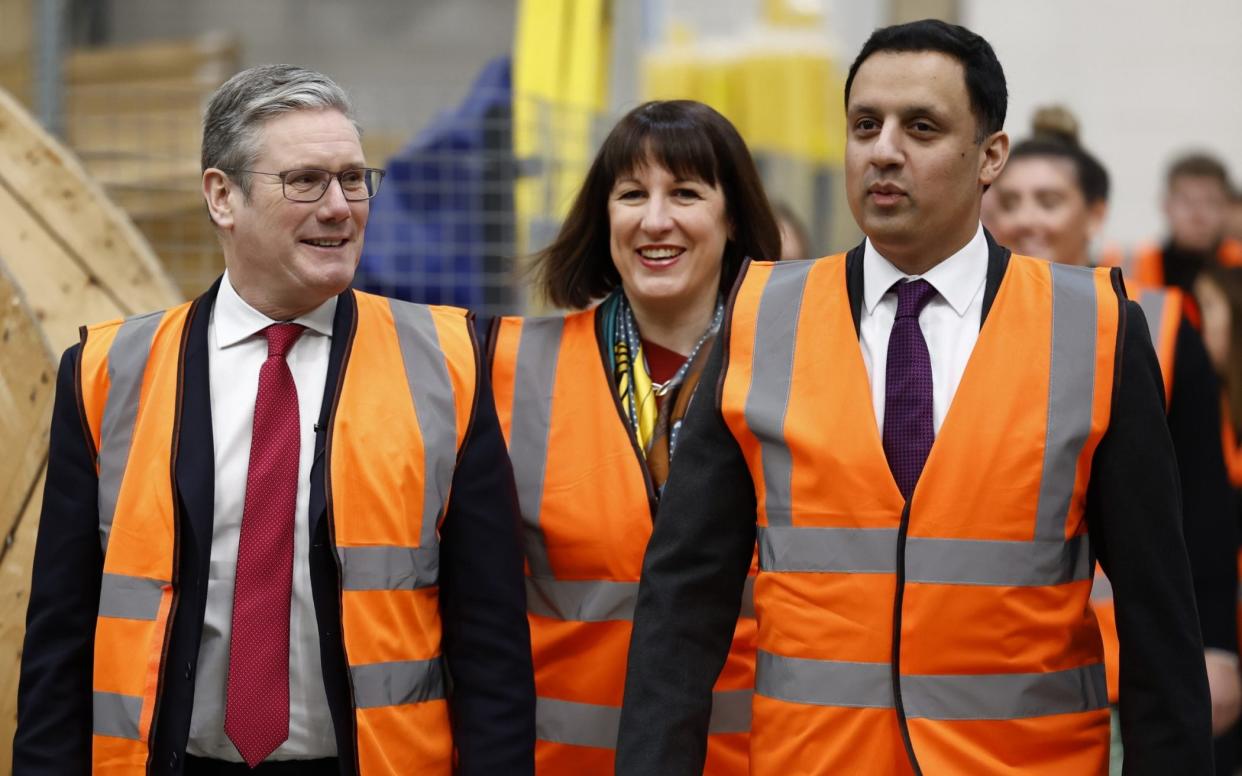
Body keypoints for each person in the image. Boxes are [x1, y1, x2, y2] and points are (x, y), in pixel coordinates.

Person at [617, 19, 1212, 775]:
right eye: (865, 125)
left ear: (990, 155)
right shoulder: (764, 315)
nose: (884, 150)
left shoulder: (1090, 328)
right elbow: (684, 598)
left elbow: (1160, 612)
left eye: (921, 127)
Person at [13, 64, 535, 775]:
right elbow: (59, 639)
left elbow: (491, 639)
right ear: (221, 197)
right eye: (306, 181)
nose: (339, 207)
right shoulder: (111, 372)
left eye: (354, 179)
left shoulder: (448, 365)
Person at [486, 99, 781, 775]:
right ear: (604, 216)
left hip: (753, 760)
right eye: (630, 195)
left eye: (685, 193)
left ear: (731, 216)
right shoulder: (512, 372)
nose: (655, 220)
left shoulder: (798, 372)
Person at [987, 106, 1240, 775]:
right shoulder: (954, 329)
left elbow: (1205, 507)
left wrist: (1215, 647)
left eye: (1049, 200)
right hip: (984, 667)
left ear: (1094, 214)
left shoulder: (1155, 326)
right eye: (1007, 200)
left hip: (1123, 665)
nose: (1025, 219)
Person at [1120, 152, 1242, 295]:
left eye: (1211, 202)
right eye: (1186, 202)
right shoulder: (1128, 267)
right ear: (1166, 206)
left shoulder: (1238, 265)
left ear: (1226, 207)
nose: (1198, 216)